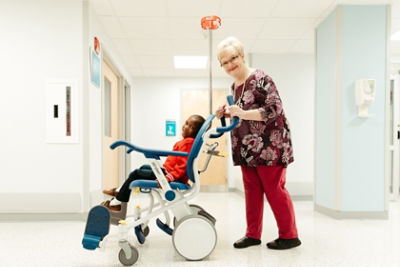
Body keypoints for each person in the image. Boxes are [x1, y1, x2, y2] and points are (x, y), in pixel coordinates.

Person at [215, 37, 301, 250]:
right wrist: (226, 113)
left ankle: (289, 235)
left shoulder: (261, 78)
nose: (230, 65)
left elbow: (274, 110)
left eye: (233, 58)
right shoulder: (234, 86)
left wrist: (242, 112)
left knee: (274, 190)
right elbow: (240, 115)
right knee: (251, 190)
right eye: (224, 62)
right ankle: (252, 234)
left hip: (270, 146)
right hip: (247, 149)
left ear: (242, 56)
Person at [101, 114, 206, 219]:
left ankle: (117, 203)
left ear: (193, 130)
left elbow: (183, 165)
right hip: (165, 172)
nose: (184, 126)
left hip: (168, 175)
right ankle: (120, 191)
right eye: (185, 123)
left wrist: (170, 177)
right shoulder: (186, 142)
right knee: (144, 168)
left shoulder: (188, 143)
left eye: (188, 125)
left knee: (136, 174)